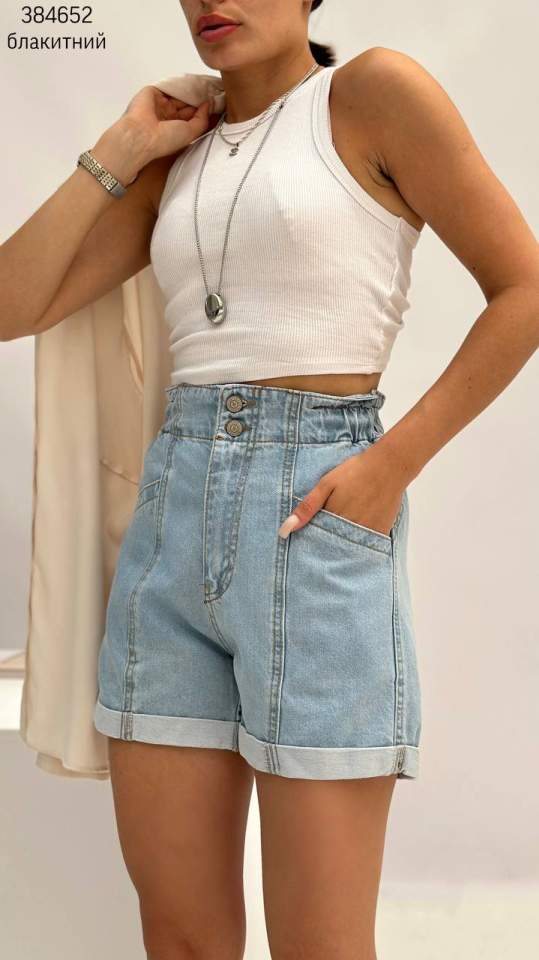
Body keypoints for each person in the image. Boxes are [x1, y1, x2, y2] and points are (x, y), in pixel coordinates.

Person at [2, 1, 538, 958]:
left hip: (315, 523)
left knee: (319, 947)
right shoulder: (173, 159)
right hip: (169, 535)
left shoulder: (370, 94)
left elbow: (524, 287)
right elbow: (13, 303)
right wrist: (121, 146)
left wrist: (389, 466)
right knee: (180, 939)